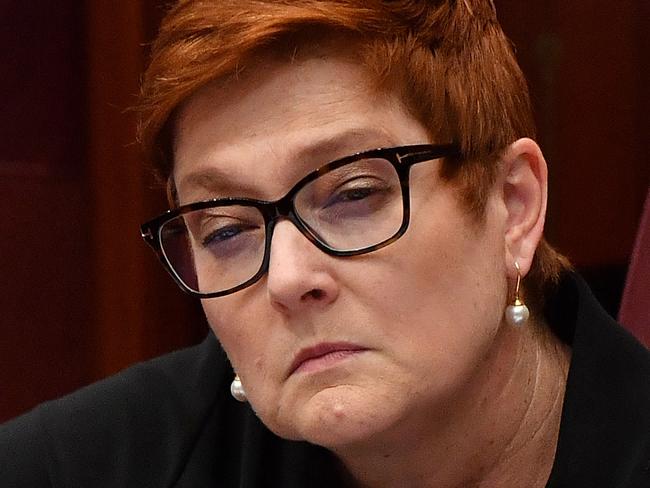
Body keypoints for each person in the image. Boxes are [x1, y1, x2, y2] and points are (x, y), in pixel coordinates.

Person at [1, 1, 648, 486]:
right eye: (225, 229)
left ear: (513, 207)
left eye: (353, 195)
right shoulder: (85, 466)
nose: (286, 277)